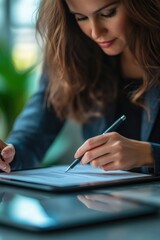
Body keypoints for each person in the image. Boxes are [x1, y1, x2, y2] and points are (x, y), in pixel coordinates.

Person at [0, 0, 160, 175]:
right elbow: (35, 130)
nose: (95, 32)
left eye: (108, 13)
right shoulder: (71, 50)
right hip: (102, 200)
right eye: (81, 17)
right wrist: (9, 155)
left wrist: (150, 154)